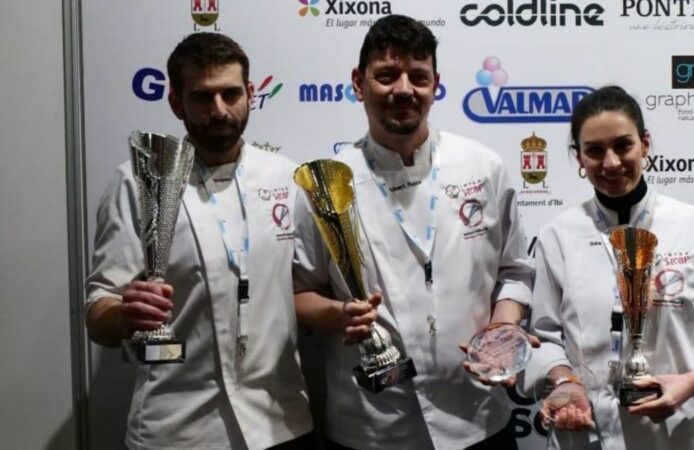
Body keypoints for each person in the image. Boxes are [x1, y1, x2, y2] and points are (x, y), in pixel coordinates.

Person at [292, 14, 534, 450]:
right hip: (372, 425)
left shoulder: (483, 167)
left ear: (435, 84)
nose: (403, 89)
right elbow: (297, 294)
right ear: (358, 81)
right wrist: (337, 315)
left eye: (417, 77)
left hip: (479, 418)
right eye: (386, 75)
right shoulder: (327, 184)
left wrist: (501, 333)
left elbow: (515, 272)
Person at [85, 32, 314, 450]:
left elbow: (305, 289)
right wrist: (124, 315)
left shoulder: (288, 178)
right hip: (178, 431)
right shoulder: (135, 181)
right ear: (176, 102)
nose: (219, 111)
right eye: (202, 97)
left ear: (250, 93)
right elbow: (98, 312)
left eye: (230, 94)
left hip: (281, 422)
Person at [525, 85, 694, 449]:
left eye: (623, 145)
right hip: (587, 433)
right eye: (594, 150)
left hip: (674, 434)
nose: (610, 163)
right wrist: (563, 381)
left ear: (645, 144)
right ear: (578, 157)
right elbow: (543, 337)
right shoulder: (558, 235)